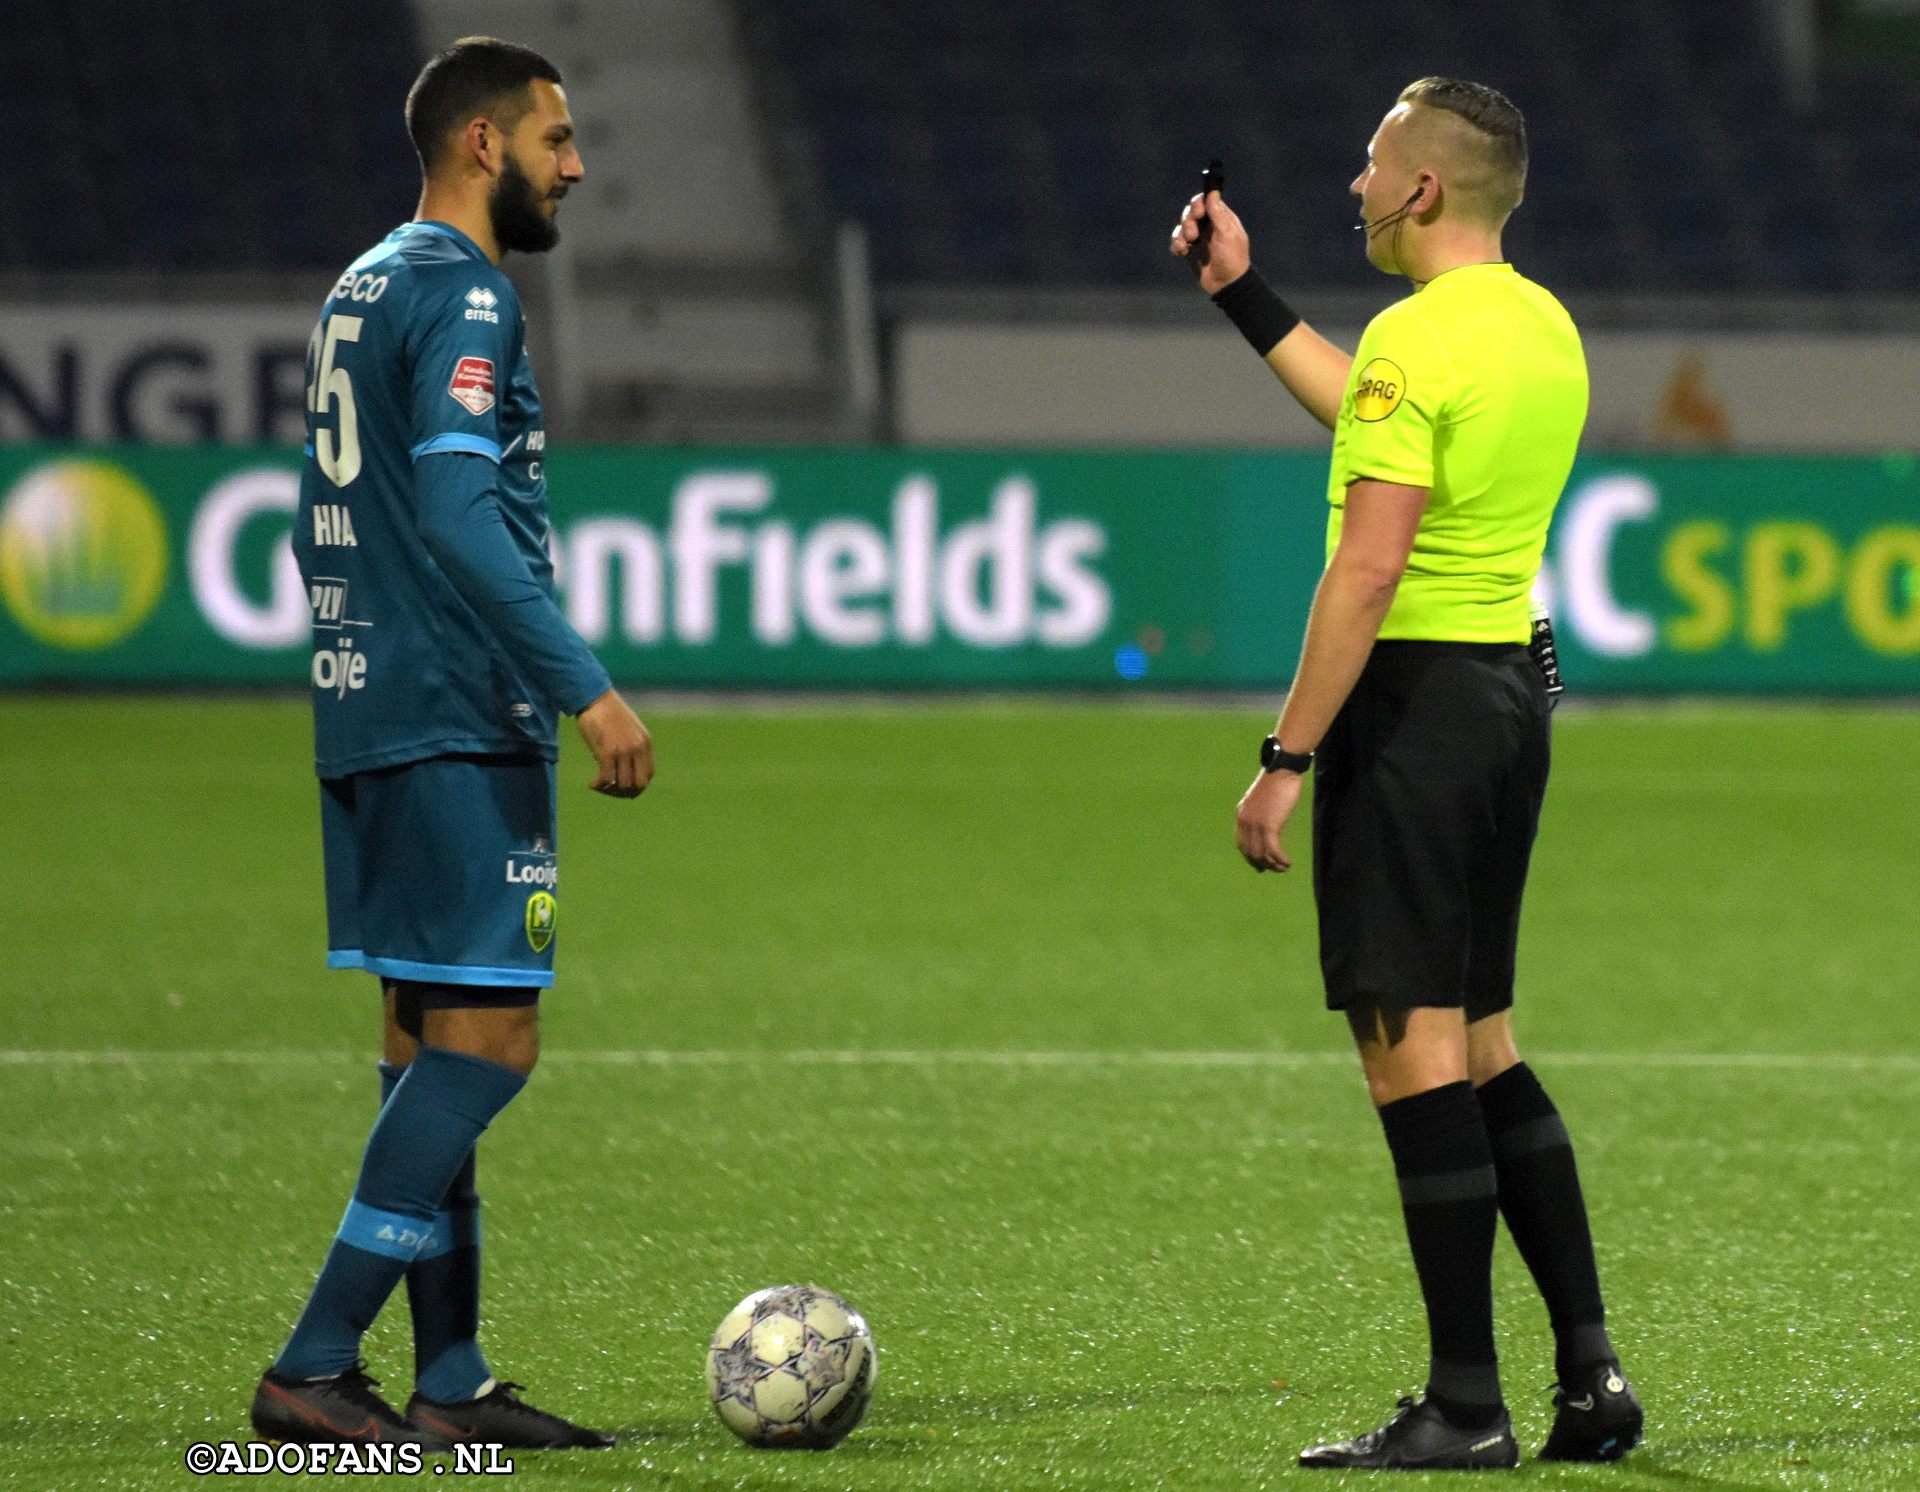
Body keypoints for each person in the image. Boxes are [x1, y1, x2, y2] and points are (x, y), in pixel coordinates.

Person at [1172, 77, 1642, 1471]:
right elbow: (1376, 421)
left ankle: (1464, 1407)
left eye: (1376, 163)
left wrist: (1286, 756)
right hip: (1508, 695)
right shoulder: (1541, 328)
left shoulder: (1412, 338)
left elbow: (1370, 564)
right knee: (1483, 1036)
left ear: (1424, 187)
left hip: (1418, 708)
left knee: (1410, 1052)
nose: (1360, 185)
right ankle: (1590, 1377)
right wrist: (1245, 296)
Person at [251, 37, 653, 1451]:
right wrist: (584, 689)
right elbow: (465, 515)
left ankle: (452, 1378)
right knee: (491, 1040)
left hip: (371, 704)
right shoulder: (469, 295)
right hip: (452, 713)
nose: (575, 166)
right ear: (485, 145)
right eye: (555, 139)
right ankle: (312, 1366)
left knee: (425, 1037)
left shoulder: (365, 282)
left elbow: (324, 515)